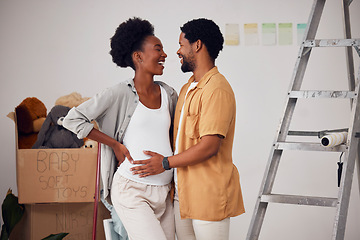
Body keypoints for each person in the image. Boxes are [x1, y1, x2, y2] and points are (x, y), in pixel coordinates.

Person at [62, 17, 177, 240]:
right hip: (132, 190)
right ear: (138, 56)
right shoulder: (118, 93)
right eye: (158, 49)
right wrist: (114, 144)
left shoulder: (169, 94)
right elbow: (73, 119)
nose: (164, 55)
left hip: (165, 192)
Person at [131, 18, 245, 240]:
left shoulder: (217, 89)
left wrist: (164, 163)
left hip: (208, 196)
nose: (178, 51)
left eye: (182, 45)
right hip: (182, 196)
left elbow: (209, 146)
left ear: (197, 45)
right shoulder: (186, 89)